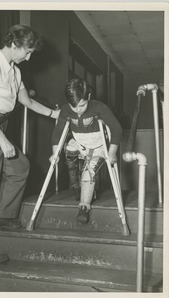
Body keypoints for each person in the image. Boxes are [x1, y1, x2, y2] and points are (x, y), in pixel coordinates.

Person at [0, 24, 60, 264]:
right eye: (26, 51)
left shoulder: (14, 71)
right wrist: (3, 140)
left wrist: (56, 115)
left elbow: (26, 101)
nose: (29, 57)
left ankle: (3, 216)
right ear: (14, 45)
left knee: (20, 167)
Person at [50, 78, 122, 225]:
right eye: (74, 106)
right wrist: (54, 154)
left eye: (82, 105)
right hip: (80, 144)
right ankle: (75, 184)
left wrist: (112, 152)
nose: (78, 110)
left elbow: (117, 129)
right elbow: (57, 134)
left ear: (88, 96)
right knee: (69, 147)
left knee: (88, 172)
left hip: (98, 147)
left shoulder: (99, 107)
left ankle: (84, 207)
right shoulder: (65, 110)